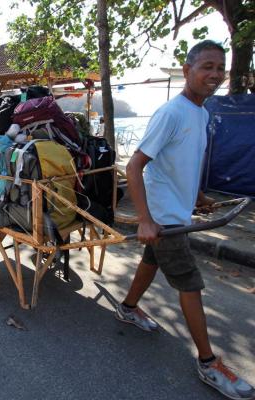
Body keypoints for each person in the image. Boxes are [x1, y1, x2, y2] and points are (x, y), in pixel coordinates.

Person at [115, 41, 255, 400]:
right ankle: (208, 363)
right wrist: (145, 220)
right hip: (164, 217)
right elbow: (134, 166)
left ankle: (127, 308)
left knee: (150, 262)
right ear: (188, 69)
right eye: (207, 66)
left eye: (220, 67)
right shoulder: (172, 113)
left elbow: (182, 163)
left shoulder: (202, 113)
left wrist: (199, 198)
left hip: (176, 211)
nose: (215, 74)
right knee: (189, 283)